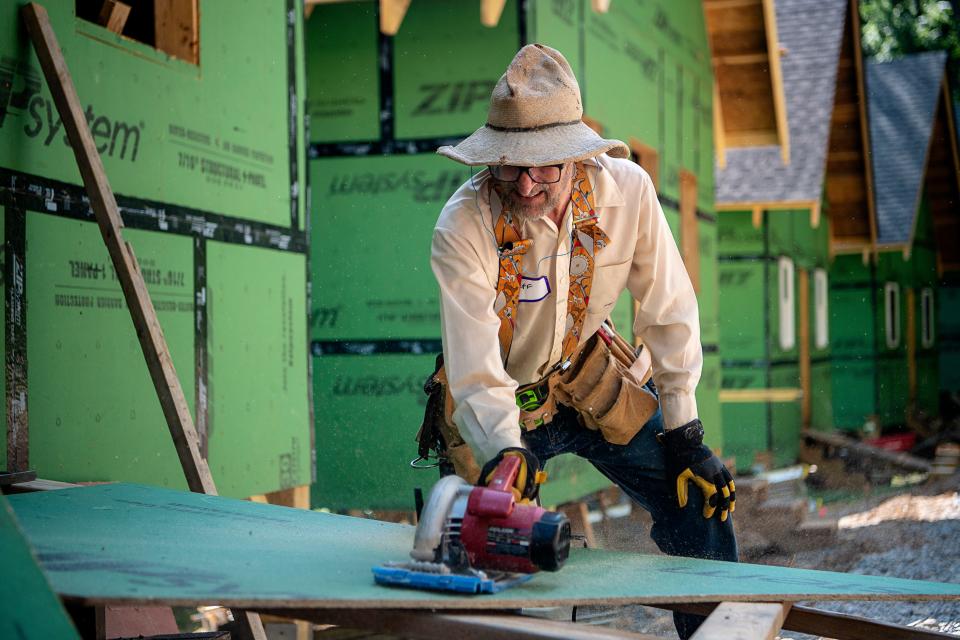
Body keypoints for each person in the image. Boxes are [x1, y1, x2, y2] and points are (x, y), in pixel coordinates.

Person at [424, 43, 738, 639]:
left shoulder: (629, 193)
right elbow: (474, 364)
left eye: (545, 164)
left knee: (696, 500)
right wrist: (504, 455)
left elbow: (668, 308)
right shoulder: (462, 226)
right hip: (498, 399)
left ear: (576, 155)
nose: (525, 181)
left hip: (585, 378)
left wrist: (685, 431)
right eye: (509, 162)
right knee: (492, 545)